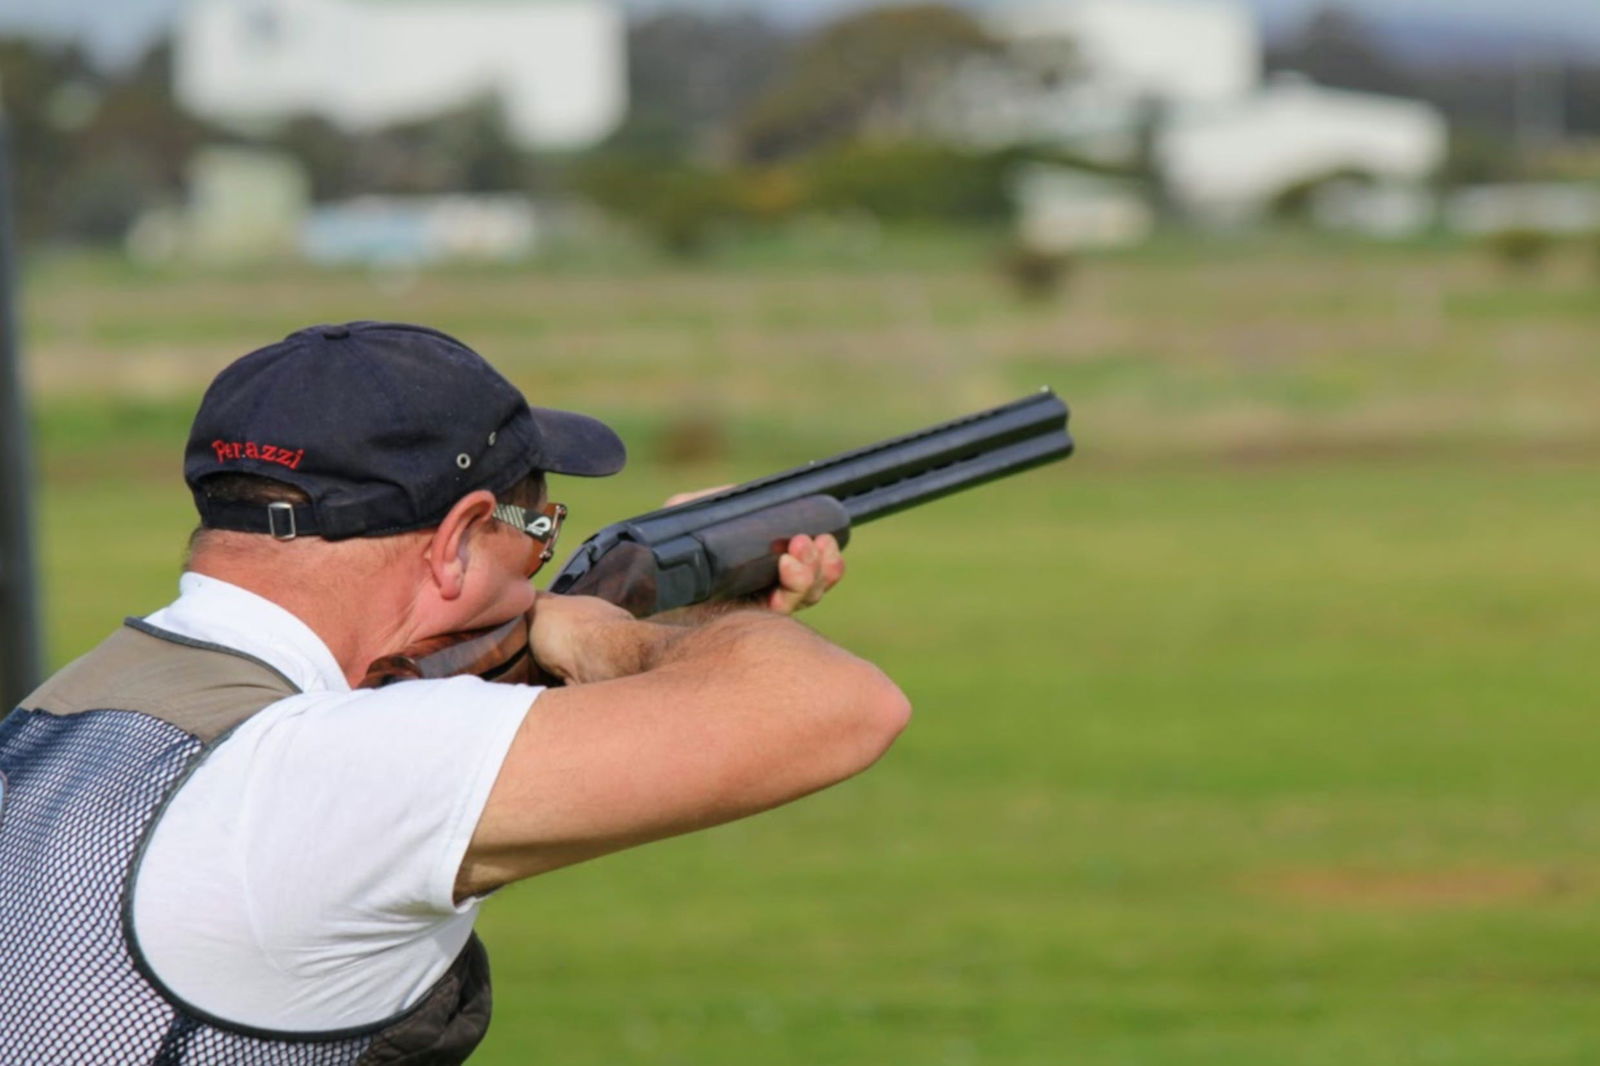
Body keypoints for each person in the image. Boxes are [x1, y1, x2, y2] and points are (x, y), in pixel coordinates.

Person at [0, 321, 911, 1064]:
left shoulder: (58, 719)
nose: (544, 574)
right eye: (542, 529)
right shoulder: (320, 767)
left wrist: (689, 611)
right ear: (458, 536)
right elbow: (840, 705)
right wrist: (607, 637)